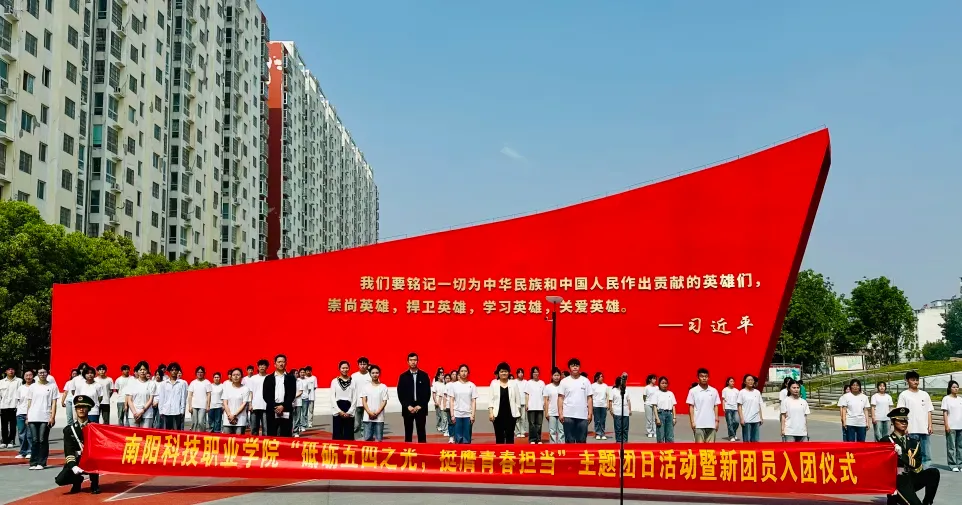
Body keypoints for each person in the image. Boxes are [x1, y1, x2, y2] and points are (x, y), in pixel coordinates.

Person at [881, 407, 940, 505]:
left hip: (910, 478)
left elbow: (917, 464)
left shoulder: (913, 442)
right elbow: (884, 464)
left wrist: (901, 455)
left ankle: (927, 502)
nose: (904, 423)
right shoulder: (886, 441)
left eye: (905, 421)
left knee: (933, 473)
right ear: (893, 422)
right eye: (900, 421)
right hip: (897, 481)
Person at [55, 395, 99, 494]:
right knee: (60, 480)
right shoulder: (69, 430)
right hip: (77, 460)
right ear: (75, 409)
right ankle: (77, 480)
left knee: (95, 460)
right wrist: (73, 466)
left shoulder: (95, 428)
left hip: (90, 461)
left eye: (84, 407)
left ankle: (94, 484)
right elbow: (68, 450)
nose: (81, 409)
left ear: (88, 409)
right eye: (78, 407)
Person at [897, 371, 934, 468]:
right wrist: (904, 427)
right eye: (913, 380)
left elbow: (929, 411)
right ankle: (913, 470)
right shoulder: (904, 395)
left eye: (917, 380)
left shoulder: (925, 394)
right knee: (912, 453)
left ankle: (925, 470)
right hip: (911, 429)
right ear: (907, 381)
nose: (915, 382)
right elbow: (901, 413)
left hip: (924, 429)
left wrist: (930, 425)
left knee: (926, 454)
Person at [26, 367, 58, 469]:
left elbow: (54, 402)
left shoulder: (52, 386)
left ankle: (41, 462)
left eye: (44, 372)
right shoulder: (33, 387)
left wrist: (52, 417)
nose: (42, 374)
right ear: (37, 374)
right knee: (34, 440)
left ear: (47, 374)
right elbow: (29, 402)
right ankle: (33, 462)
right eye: (40, 373)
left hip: (45, 416)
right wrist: (27, 416)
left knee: (42, 439)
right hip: (33, 416)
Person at [396, 352, 431, 443]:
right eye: (411, 360)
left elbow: (427, 393)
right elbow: (400, 393)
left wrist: (420, 405)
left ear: (417, 361)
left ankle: (422, 450)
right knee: (408, 433)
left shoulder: (424, 375)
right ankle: (408, 451)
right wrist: (407, 406)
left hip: (420, 408)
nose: (413, 362)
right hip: (408, 409)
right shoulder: (403, 376)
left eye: (415, 360)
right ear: (408, 362)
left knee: (421, 432)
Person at [558, 358, 592, 443]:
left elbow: (589, 398)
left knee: (582, 440)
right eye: (573, 366)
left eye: (577, 366)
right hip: (568, 415)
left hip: (582, 415)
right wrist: (560, 413)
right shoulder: (564, 381)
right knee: (569, 441)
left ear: (579, 367)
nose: (575, 367)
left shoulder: (586, 381)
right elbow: (560, 398)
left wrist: (590, 413)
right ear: (569, 368)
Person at [263, 354, 297, 437]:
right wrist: (275, 406)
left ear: (286, 363)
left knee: (286, 434)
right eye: (279, 362)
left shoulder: (291, 378)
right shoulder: (268, 378)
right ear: (275, 364)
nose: (281, 364)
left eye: (283, 362)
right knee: (271, 434)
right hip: (272, 409)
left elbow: (292, 394)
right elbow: (266, 395)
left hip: (286, 408)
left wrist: (283, 406)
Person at [488, 362, 521, 444]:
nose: (504, 373)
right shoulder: (494, 383)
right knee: (499, 437)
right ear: (498, 373)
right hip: (497, 415)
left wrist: (517, 412)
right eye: (501, 371)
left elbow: (518, 399)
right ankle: (500, 452)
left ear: (509, 372)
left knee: (510, 437)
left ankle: (509, 452)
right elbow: (490, 399)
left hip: (511, 415)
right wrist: (491, 413)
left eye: (505, 371)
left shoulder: (513, 384)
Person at [686, 368, 720, 442]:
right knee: (699, 447)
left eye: (706, 376)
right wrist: (692, 422)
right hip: (698, 424)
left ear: (708, 378)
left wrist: (717, 421)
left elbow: (716, 406)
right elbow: (691, 407)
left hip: (711, 424)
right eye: (702, 376)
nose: (704, 378)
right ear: (698, 378)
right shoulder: (693, 391)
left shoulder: (714, 391)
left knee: (711, 448)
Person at [448, 364, 478, 444]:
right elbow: (451, 400)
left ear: (468, 373)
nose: (464, 373)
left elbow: (473, 401)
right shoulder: (454, 385)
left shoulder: (472, 385)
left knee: (467, 438)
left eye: (465, 371)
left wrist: (473, 415)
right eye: (462, 371)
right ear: (459, 373)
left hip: (468, 415)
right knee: (458, 439)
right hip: (457, 414)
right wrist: (452, 415)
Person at [125, 361, 157, 428]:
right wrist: (135, 413)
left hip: (147, 415)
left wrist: (141, 412)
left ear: (147, 370)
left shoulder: (152, 383)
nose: (142, 371)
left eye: (144, 369)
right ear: (137, 371)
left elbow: (150, 400)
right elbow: (129, 400)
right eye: (140, 370)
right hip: (133, 415)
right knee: (134, 434)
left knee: (145, 434)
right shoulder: (132, 383)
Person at [361, 365, 389, 442]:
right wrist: (369, 412)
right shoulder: (365, 387)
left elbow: (384, 401)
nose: (375, 374)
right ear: (370, 374)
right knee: (367, 439)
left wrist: (377, 412)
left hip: (379, 418)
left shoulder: (383, 387)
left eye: (377, 373)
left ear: (379, 374)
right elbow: (364, 401)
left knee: (378, 440)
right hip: (367, 417)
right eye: (373, 373)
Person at [330, 361, 357, 440]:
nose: (345, 370)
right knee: (337, 433)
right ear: (339, 369)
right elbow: (332, 397)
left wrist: (350, 411)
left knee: (348, 434)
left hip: (349, 408)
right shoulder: (334, 381)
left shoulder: (353, 381)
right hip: (338, 408)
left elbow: (355, 397)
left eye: (346, 368)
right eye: (343, 368)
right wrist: (339, 411)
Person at [158, 363, 188, 430]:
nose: (174, 371)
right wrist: (161, 411)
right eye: (172, 370)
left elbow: (183, 398)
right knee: (166, 432)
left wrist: (182, 411)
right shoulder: (164, 384)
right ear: (169, 371)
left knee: (176, 432)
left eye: (175, 370)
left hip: (177, 411)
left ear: (178, 371)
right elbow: (161, 398)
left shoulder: (182, 383)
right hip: (166, 411)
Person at [222, 368, 251, 434]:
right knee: (226, 439)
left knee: (239, 439)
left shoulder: (245, 389)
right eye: (234, 375)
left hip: (240, 420)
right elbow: (225, 403)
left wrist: (234, 415)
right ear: (231, 377)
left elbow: (244, 404)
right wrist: (229, 415)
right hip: (228, 420)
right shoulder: (227, 388)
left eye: (238, 375)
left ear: (241, 376)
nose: (235, 376)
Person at [0, 366, 23, 448]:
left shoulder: (19, 381)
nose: (11, 371)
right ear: (6, 372)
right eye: (9, 370)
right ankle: (4, 441)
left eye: (12, 369)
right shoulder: (1, 382)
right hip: (3, 406)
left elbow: (21, 393)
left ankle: (11, 440)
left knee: (13, 425)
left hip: (14, 405)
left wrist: (19, 405)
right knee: (4, 425)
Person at [737, 374, 763, 442]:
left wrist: (761, 417)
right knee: (747, 440)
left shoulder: (757, 392)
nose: (751, 381)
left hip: (756, 420)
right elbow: (739, 406)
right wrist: (741, 418)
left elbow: (759, 405)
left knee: (755, 440)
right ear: (745, 382)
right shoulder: (742, 392)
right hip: (746, 420)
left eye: (752, 380)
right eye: (749, 380)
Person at [942, 380, 961, 472]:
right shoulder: (946, 399)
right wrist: (946, 425)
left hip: (960, 426)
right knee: (951, 447)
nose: (956, 389)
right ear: (950, 388)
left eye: (957, 387)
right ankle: (952, 464)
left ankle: (960, 464)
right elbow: (945, 413)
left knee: (960, 446)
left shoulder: (960, 399)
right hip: (951, 426)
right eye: (953, 387)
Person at [14, 370, 34, 459]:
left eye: (30, 375)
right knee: (21, 433)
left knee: (30, 434)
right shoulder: (20, 388)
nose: (28, 377)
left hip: (31, 413)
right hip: (20, 413)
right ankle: (22, 452)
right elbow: (18, 400)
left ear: (33, 376)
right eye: (26, 375)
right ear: (24, 377)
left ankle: (30, 451)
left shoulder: (35, 387)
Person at [187, 366, 212, 432]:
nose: (200, 374)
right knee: (194, 422)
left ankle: (201, 435)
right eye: (198, 372)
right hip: (194, 405)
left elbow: (209, 395)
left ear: (204, 373)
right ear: (196, 373)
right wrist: (190, 406)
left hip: (203, 405)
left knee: (201, 422)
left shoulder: (207, 382)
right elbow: (190, 395)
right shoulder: (193, 382)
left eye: (201, 372)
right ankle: (193, 435)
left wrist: (208, 406)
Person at [247, 359, 269, 436]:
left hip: (266, 406)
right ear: (258, 367)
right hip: (255, 406)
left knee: (266, 429)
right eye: (260, 365)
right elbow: (250, 392)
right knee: (254, 429)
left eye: (264, 365)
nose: (262, 367)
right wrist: (250, 404)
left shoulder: (270, 377)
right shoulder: (253, 378)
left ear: (267, 367)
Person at [351, 357, 372, 436]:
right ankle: (354, 434)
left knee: (366, 421)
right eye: (361, 364)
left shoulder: (371, 375)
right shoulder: (354, 376)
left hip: (368, 402)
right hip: (357, 402)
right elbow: (351, 389)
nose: (362, 366)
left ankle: (365, 436)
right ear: (358, 365)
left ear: (367, 365)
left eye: (364, 364)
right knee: (356, 423)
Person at [543, 368, 565, 443]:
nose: (556, 377)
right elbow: (546, 401)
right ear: (552, 376)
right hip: (551, 412)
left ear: (560, 376)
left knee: (561, 430)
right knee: (552, 431)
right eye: (555, 375)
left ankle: (561, 446)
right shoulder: (547, 387)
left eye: (558, 375)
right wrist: (546, 412)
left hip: (561, 412)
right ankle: (553, 446)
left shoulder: (563, 386)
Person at [525, 367, 545, 444]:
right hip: (531, 406)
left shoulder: (542, 383)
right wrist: (527, 404)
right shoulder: (529, 383)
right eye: (534, 372)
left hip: (540, 406)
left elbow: (544, 395)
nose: (536, 374)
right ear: (532, 374)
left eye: (537, 372)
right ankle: (532, 439)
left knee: (539, 424)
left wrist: (544, 404)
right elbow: (527, 394)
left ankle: (538, 439)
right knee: (532, 424)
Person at [653, 376, 677, 443]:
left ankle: (669, 448)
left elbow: (673, 406)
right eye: (662, 383)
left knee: (670, 435)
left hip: (669, 414)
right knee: (660, 434)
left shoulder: (670, 393)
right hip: (660, 414)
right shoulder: (656, 393)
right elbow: (654, 406)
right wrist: (657, 418)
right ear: (659, 384)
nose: (664, 385)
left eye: (665, 383)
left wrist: (674, 417)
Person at [609, 375, 631, 443]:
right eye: (623, 381)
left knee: (625, 429)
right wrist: (611, 410)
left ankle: (625, 441)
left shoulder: (626, 390)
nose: (624, 382)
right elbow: (610, 401)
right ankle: (618, 442)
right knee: (618, 428)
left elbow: (628, 401)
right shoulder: (614, 390)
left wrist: (630, 410)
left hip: (625, 411)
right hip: (617, 411)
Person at [590, 372, 609, 440]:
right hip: (596, 405)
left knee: (603, 420)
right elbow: (591, 396)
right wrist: (591, 406)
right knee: (597, 420)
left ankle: (603, 433)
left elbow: (607, 395)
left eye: (602, 376)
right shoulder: (593, 386)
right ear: (597, 378)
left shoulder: (605, 386)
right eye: (600, 376)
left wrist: (608, 404)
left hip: (603, 405)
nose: (602, 378)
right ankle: (598, 433)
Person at [722, 377, 740, 441]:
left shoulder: (737, 391)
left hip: (735, 408)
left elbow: (739, 400)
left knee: (736, 422)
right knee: (729, 422)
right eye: (731, 381)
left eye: (733, 381)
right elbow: (723, 399)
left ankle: (733, 434)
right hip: (728, 408)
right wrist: (723, 407)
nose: (732, 383)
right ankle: (731, 436)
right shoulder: (725, 390)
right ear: (728, 382)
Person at [513, 368, 528, 438]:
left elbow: (527, 393)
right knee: (517, 418)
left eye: (522, 373)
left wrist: (527, 403)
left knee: (523, 418)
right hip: (516, 403)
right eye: (519, 373)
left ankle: (523, 432)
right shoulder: (514, 382)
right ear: (517, 374)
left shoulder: (526, 382)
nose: (520, 374)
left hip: (523, 403)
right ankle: (517, 432)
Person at [432, 368, 447, 434]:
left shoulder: (444, 383)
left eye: (443, 375)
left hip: (443, 400)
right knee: (439, 415)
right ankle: (438, 425)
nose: (443, 376)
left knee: (444, 415)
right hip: (438, 401)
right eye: (441, 375)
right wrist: (435, 402)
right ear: (438, 376)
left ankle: (443, 427)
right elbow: (434, 393)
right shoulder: (435, 383)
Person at [643, 374, 658, 439]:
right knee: (649, 419)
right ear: (650, 380)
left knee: (655, 419)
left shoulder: (657, 387)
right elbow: (644, 396)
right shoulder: (646, 387)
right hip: (648, 404)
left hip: (655, 405)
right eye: (653, 379)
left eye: (655, 379)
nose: (655, 380)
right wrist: (646, 402)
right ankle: (649, 432)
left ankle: (655, 432)